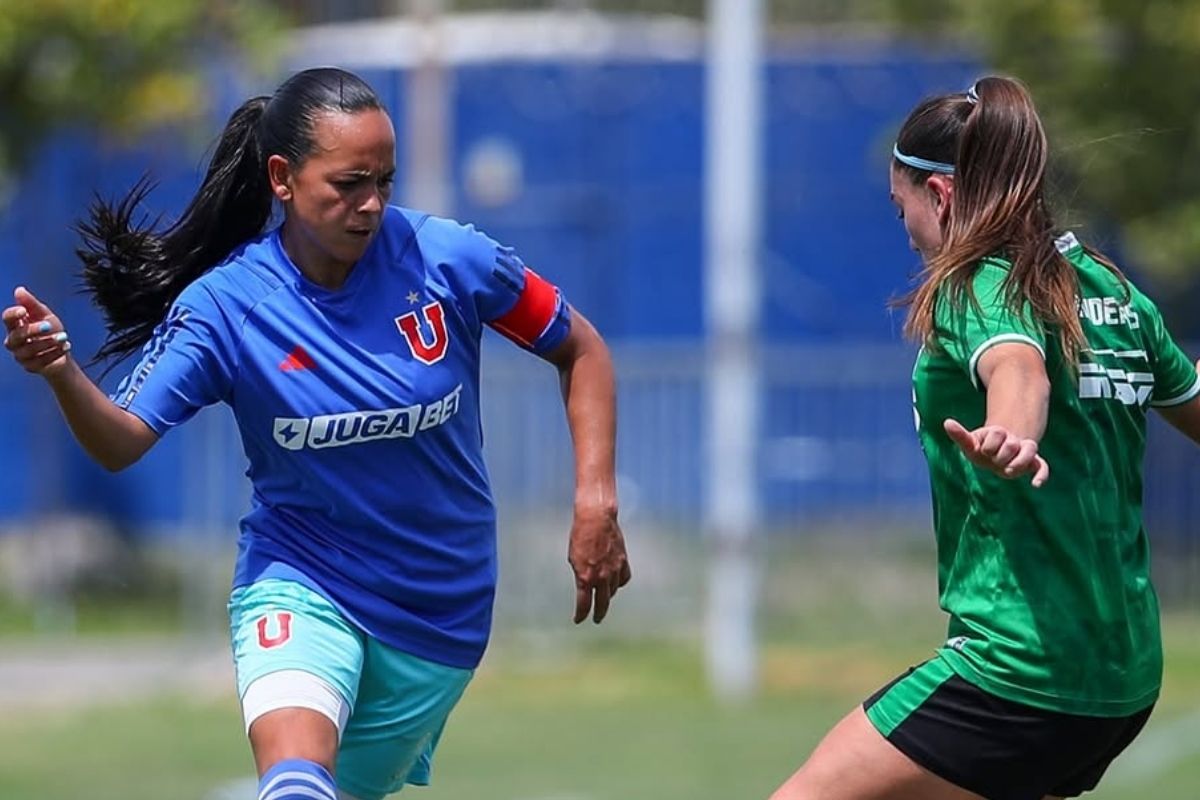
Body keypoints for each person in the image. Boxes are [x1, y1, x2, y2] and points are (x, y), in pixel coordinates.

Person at [3, 67, 630, 800]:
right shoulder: (229, 306)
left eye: (385, 182)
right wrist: (61, 371)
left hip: (439, 609)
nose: (372, 204)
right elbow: (122, 440)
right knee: (296, 785)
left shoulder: (449, 259)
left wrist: (595, 498)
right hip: (299, 581)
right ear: (283, 178)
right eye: (349, 183)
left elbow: (579, 347)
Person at [770, 75, 1200, 800]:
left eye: (900, 205)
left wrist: (1011, 432)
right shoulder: (1115, 293)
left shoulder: (980, 284)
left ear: (938, 197)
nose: (903, 227)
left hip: (1018, 673)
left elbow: (1017, 366)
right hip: (1122, 676)